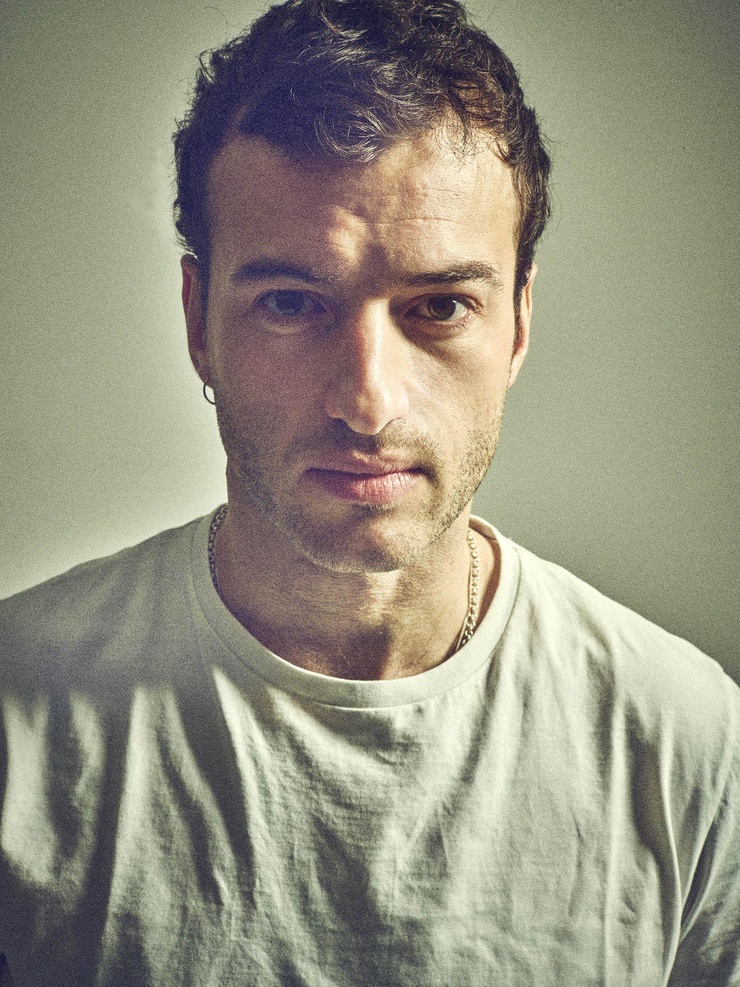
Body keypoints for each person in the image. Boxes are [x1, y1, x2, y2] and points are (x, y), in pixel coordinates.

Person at [1, 0, 738, 983]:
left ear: (517, 324)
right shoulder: (17, 712)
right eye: (290, 303)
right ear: (197, 321)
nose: (367, 400)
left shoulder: (685, 742)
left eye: (440, 306)